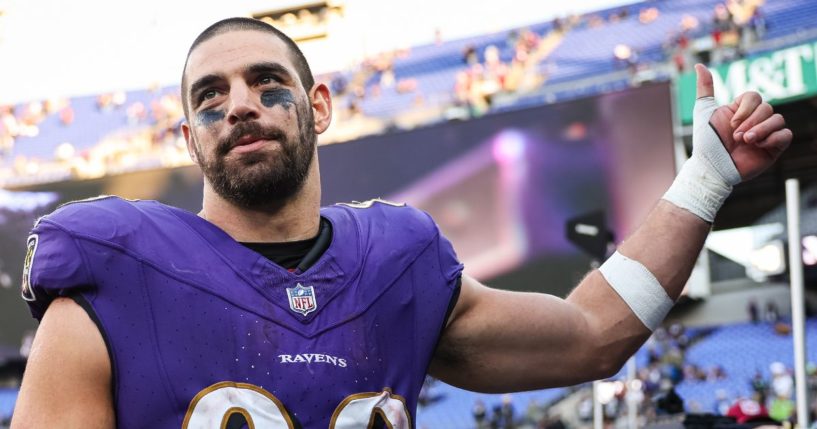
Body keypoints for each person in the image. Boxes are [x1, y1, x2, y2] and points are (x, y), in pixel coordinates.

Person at [11, 17, 791, 428]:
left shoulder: (397, 264)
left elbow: (594, 333)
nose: (238, 103)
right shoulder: (112, 285)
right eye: (208, 96)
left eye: (265, 82)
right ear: (189, 138)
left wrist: (707, 172)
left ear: (317, 106)